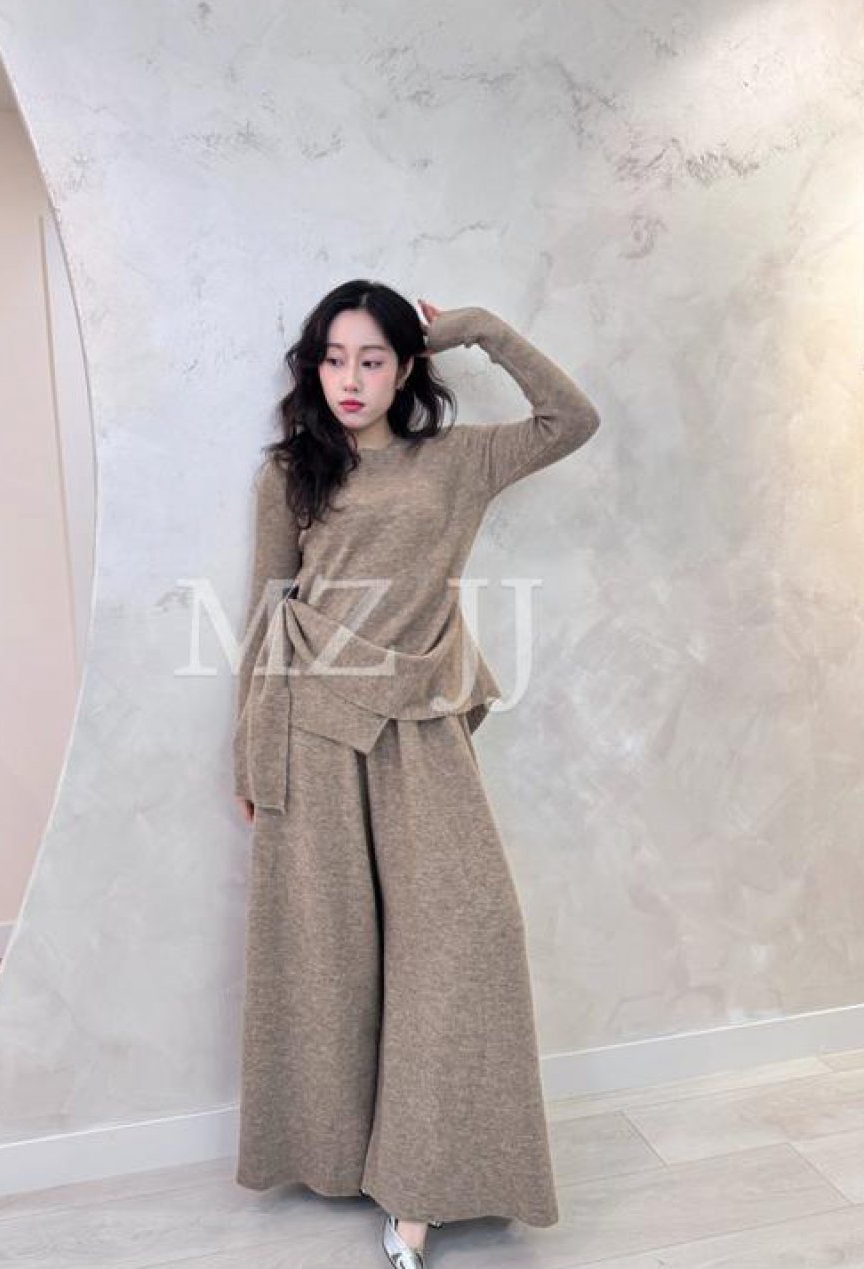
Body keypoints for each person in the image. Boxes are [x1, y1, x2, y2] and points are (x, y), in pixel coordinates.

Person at [231, 279, 600, 1268]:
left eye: (373, 359)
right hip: (312, 732)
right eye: (333, 358)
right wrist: (249, 751)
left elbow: (572, 419)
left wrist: (478, 331)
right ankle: (343, 1159)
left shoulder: (459, 459)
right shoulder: (291, 473)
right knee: (331, 960)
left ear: (406, 368)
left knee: (470, 933)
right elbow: (266, 613)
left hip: (421, 730)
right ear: (314, 367)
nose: (349, 379)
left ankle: (423, 1183)